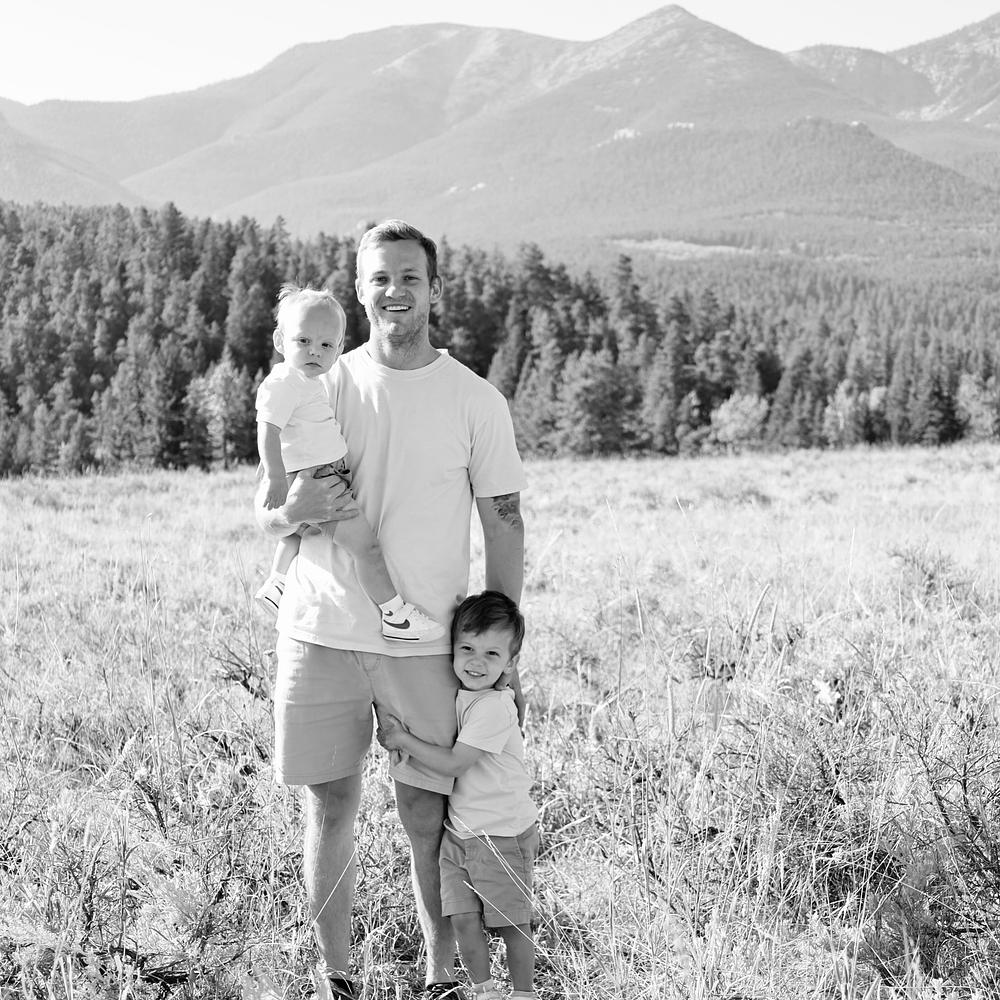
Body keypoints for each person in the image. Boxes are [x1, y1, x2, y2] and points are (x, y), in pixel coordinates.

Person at [255, 219, 526, 1000]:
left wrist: (504, 652)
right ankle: (336, 979)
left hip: (428, 641)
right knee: (330, 807)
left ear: (435, 288)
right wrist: (288, 514)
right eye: (379, 277)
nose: (394, 291)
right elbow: (269, 510)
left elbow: (504, 522)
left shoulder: (474, 399)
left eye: (410, 276)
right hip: (320, 631)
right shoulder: (319, 383)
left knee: (428, 815)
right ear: (359, 289)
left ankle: (442, 980)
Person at [254, 283, 444, 643]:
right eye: (303, 341)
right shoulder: (284, 382)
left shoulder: (306, 381)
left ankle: (277, 583)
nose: (315, 351)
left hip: (319, 474)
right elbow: (268, 429)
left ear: (339, 348)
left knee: (300, 533)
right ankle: (394, 614)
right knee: (366, 549)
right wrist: (277, 477)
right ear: (280, 341)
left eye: (326, 345)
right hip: (319, 480)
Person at [377, 592, 538, 1000]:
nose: (475, 662)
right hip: (461, 832)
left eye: (491, 653)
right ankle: (485, 991)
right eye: (466, 648)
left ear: (510, 663)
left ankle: (523, 992)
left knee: (511, 923)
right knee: (463, 919)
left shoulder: (494, 707)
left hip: (501, 833)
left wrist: (402, 739)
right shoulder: (461, 694)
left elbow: (453, 763)